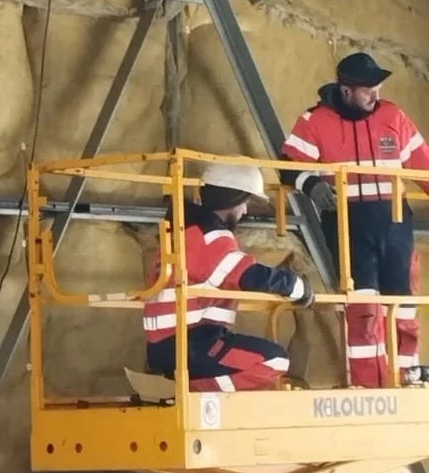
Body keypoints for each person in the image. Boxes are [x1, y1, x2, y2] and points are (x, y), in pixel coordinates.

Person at [280, 51, 429, 387]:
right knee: (364, 312)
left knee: (403, 307)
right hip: (348, 227)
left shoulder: (393, 116)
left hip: (395, 224)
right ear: (345, 89)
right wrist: (312, 184)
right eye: (367, 90)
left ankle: (406, 380)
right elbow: (287, 164)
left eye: (377, 88)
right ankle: (371, 386)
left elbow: (424, 164)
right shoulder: (315, 121)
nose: (375, 95)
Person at [142, 162, 315, 391]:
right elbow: (247, 274)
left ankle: (186, 391)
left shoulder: (184, 233)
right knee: (274, 360)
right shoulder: (209, 236)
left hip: (170, 346)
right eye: (244, 203)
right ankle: (194, 394)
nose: (245, 211)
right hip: (192, 344)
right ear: (232, 199)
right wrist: (297, 287)